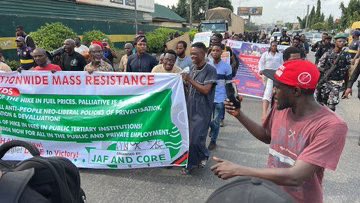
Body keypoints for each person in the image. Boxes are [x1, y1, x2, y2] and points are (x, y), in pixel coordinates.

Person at [211, 59, 348, 203]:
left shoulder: (331, 126)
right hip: (270, 193)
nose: (273, 92)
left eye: (277, 87)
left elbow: (297, 176)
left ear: (296, 91)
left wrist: (238, 170)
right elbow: (267, 135)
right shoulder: (282, 106)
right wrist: (239, 115)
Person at [181, 42, 217, 174]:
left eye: (195, 54)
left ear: (204, 53)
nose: (193, 57)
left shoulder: (210, 70)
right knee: (193, 138)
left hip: (202, 111)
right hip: (190, 108)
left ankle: (190, 165)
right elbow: (190, 86)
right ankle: (204, 155)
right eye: (191, 54)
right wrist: (184, 82)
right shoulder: (193, 67)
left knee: (195, 139)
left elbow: (206, 90)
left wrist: (189, 79)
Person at [317, 33, 351, 111]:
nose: (342, 43)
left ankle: (329, 121)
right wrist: (326, 70)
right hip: (325, 81)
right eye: (339, 41)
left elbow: (347, 72)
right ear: (335, 42)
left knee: (331, 106)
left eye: (344, 41)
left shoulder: (346, 56)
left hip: (337, 83)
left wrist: (347, 87)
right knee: (322, 104)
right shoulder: (328, 54)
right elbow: (318, 67)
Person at [208, 44, 232, 150]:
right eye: (213, 50)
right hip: (207, 97)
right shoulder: (207, 65)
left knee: (216, 120)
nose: (215, 52)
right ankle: (212, 129)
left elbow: (229, 83)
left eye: (217, 50)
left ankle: (213, 141)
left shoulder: (227, 67)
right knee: (208, 121)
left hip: (220, 97)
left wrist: (229, 97)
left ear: (221, 52)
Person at [258, 41, 283, 123]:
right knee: (267, 90)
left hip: (276, 74)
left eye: (275, 46)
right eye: (273, 46)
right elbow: (261, 62)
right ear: (270, 46)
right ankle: (265, 111)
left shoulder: (280, 55)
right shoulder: (265, 54)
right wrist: (261, 70)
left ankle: (266, 113)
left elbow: (283, 64)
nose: (274, 47)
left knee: (270, 91)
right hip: (267, 73)